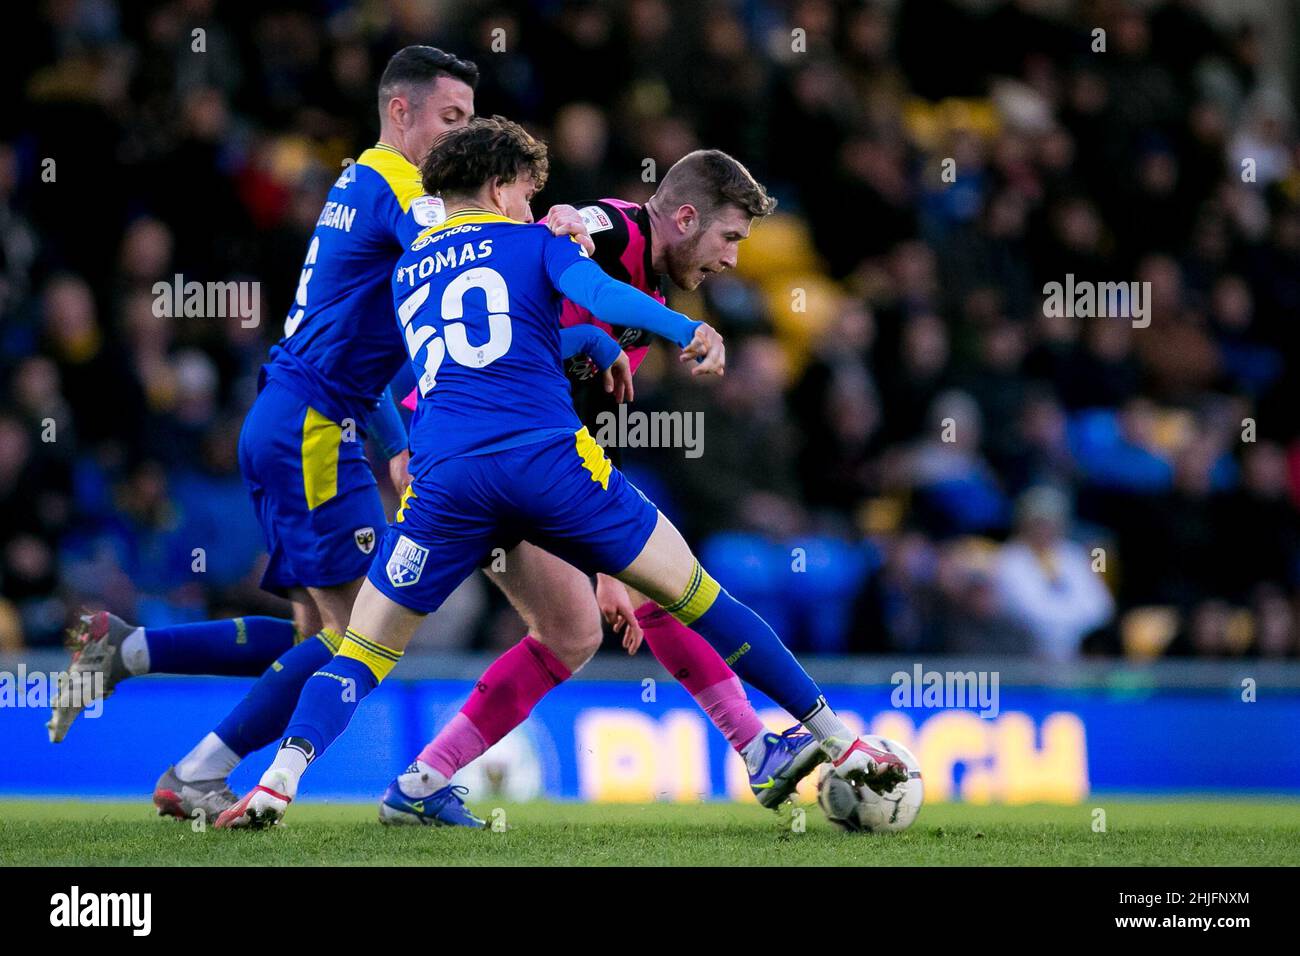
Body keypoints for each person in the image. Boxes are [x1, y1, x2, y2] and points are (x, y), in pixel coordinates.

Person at [215, 116, 907, 829]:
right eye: (730, 238)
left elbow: (488, 337)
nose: (733, 259)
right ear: (501, 188)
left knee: (487, 637)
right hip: (537, 452)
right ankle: (824, 740)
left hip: (447, 466)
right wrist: (683, 328)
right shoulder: (580, 236)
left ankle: (306, 781)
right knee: (689, 588)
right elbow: (589, 246)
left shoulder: (411, 266)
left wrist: (404, 441)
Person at [46, 46, 587, 818]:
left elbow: (392, 320)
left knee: (314, 634)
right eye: (452, 119)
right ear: (400, 112)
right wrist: (555, 243)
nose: (462, 138)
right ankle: (200, 768)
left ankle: (128, 649)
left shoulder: (358, 179)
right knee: (363, 631)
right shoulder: (406, 186)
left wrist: (396, 436)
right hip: (314, 428)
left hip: (289, 417)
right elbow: (467, 281)